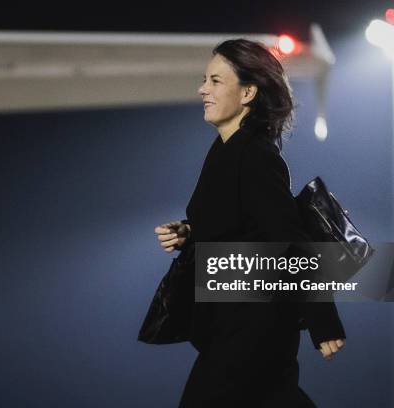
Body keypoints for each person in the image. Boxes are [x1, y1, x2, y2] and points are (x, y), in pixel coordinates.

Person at [154, 39, 346, 407]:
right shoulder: (227, 150)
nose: (202, 89)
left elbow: (289, 238)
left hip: (254, 328)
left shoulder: (255, 156)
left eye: (214, 81)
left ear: (248, 93)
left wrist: (323, 319)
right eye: (204, 80)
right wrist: (190, 232)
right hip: (235, 325)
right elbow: (241, 223)